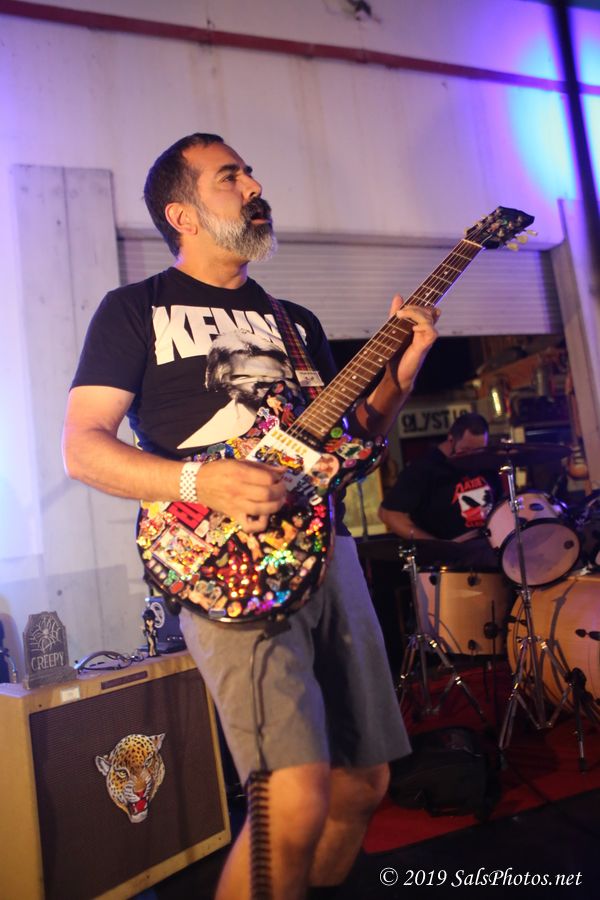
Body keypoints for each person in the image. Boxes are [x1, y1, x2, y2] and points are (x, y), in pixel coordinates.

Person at [62, 132, 439, 900]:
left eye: (250, 173)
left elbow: (350, 440)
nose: (254, 184)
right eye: (230, 176)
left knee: (362, 783)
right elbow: (83, 448)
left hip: (328, 554)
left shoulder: (293, 320)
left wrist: (401, 374)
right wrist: (200, 481)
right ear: (183, 214)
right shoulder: (135, 310)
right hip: (225, 567)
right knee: (290, 798)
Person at [378, 412, 502, 569]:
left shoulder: (486, 463)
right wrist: (438, 546)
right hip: (450, 563)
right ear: (451, 439)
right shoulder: (424, 469)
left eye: (478, 450)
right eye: (466, 450)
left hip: (489, 548)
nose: (472, 456)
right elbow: (388, 514)